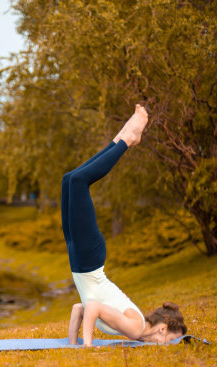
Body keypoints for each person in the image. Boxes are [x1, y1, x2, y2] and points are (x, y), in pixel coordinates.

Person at [62, 104, 187, 346]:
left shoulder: (134, 327)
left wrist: (74, 345)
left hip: (81, 264)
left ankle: (124, 136)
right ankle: (127, 139)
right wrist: (87, 347)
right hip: (89, 261)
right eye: (173, 338)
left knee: (70, 180)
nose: (168, 343)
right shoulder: (134, 328)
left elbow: (82, 307)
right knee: (78, 181)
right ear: (163, 329)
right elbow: (95, 307)